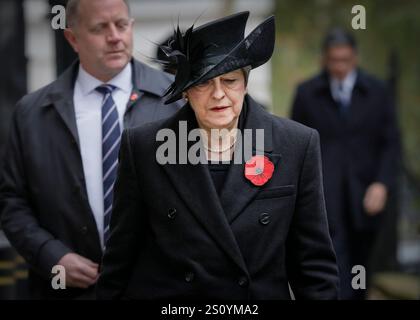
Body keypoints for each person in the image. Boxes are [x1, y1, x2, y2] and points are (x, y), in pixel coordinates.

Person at [96, 11, 339, 300]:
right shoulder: (143, 147)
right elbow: (120, 260)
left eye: (230, 80)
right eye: (203, 82)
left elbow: (314, 267)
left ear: (245, 83)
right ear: (186, 91)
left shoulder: (297, 144)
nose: (218, 94)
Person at [0, 0, 181, 299]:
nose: (115, 37)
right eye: (100, 28)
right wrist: (51, 256)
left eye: (121, 25)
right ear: (72, 37)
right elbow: (12, 202)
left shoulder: (177, 101)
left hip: (161, 289)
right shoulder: (31, 114)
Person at [291, 28, 400, 299]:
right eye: (334, 60)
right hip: (325, 192)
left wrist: (382, 184)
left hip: (365, 192)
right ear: (324, 60)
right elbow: (296, 143)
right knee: (332, 255)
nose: (340, 66)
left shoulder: (376, 92)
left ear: (355, 58)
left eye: (345, 59)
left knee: (362, 258)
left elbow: (391, 143)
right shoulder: (306, 94)